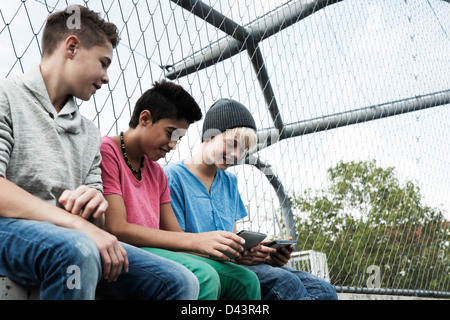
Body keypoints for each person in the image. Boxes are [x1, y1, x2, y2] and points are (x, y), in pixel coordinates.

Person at [0, 5, 199, 300]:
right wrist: (78, 225)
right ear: (71, 47)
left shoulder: (89, 132)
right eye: (103, 63)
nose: (107, 77)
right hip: (11, 230)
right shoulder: (7, 96)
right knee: (75, 250)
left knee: (179, 281)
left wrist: (94, 209)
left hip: (69, 234)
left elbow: (100, 224)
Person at [100, 81, 261, 300]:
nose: (173, 145)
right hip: (121, 251)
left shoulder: (156, 172)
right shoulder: (108, 151)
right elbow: (116, 227)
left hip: (157, 253)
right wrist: (199, 241)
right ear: (144, 119)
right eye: (170, 133)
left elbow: (174, 235)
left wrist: (216, 245)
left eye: (179, 138)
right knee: (205, 276)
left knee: (246, 281)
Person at [164, 98, 339, 300]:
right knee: (285, 284)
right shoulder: (172, 177)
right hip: (204, 266)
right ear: (209, 135)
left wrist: (261, 254)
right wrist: (237, 256)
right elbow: (176, 247)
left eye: (243, 150)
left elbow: (234, 238)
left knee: (324, 290)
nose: (237, 155)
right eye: (232, 144)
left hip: (232, 264)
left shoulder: (229, 181)